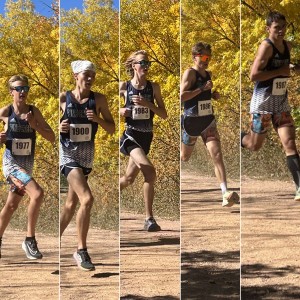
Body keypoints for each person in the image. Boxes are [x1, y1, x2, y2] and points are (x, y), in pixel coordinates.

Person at [59, 60, 115, 271]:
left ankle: (53, 239)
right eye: (86, 75)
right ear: (76, 76)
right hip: (68, 156)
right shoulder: (64, 98)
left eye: (93, 75)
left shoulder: (98, 99)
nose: (90, 79)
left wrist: (98, 120)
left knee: (70, 204)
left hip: (86, 158)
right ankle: (81, 250)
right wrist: (59, 126)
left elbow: (111, 128)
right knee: (87, 198)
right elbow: (45, 128)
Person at [241, 11, 300, 201]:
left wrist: (294, 69)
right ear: (268, 29)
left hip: (281, 101)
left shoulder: (288, 46)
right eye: (276, 28)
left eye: (283, 27)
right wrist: (281, 71)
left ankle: (299, 187)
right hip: (263, 103)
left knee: (290, 143)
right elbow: (253, 76)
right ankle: (242, 139)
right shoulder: (266, 47)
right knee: (254, 145)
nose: (281, 31)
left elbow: (288, 69)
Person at [0, 74, 55, 260]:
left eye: (25, 89)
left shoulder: (34, 112)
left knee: (11, 205)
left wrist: (34, 125)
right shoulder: (5, 113)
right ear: (11, 92)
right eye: (18, 89)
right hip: (11, 165)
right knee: (38, 193)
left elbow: (52, 137)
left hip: (26, 166)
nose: (22, 92)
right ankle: (29, 240)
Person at [181, 42, 239, 207]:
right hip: (191, 122)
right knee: (184, 158)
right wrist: (201, 89)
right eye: (204, 57)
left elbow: (203, 93)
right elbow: (182, 96)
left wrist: (213, 95)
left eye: (209, 57)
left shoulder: (208, 74)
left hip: (207, 120)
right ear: (195, 57)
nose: (207, 60)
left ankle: (225, 194)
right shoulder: (190, 74)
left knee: (217, 155)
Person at [119, 50, 167, 231]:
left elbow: (163, 114)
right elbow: (111, 110)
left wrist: (148, 104)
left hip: (147, 137)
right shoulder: (124, 86)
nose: (146, 66)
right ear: (134, 66)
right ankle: (149, 218)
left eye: (148, 63)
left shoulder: (154, 88)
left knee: (128, 179)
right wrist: (121, 111)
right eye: (142, 63)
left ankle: (106, 196)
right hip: (130, 136)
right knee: (150, 173)